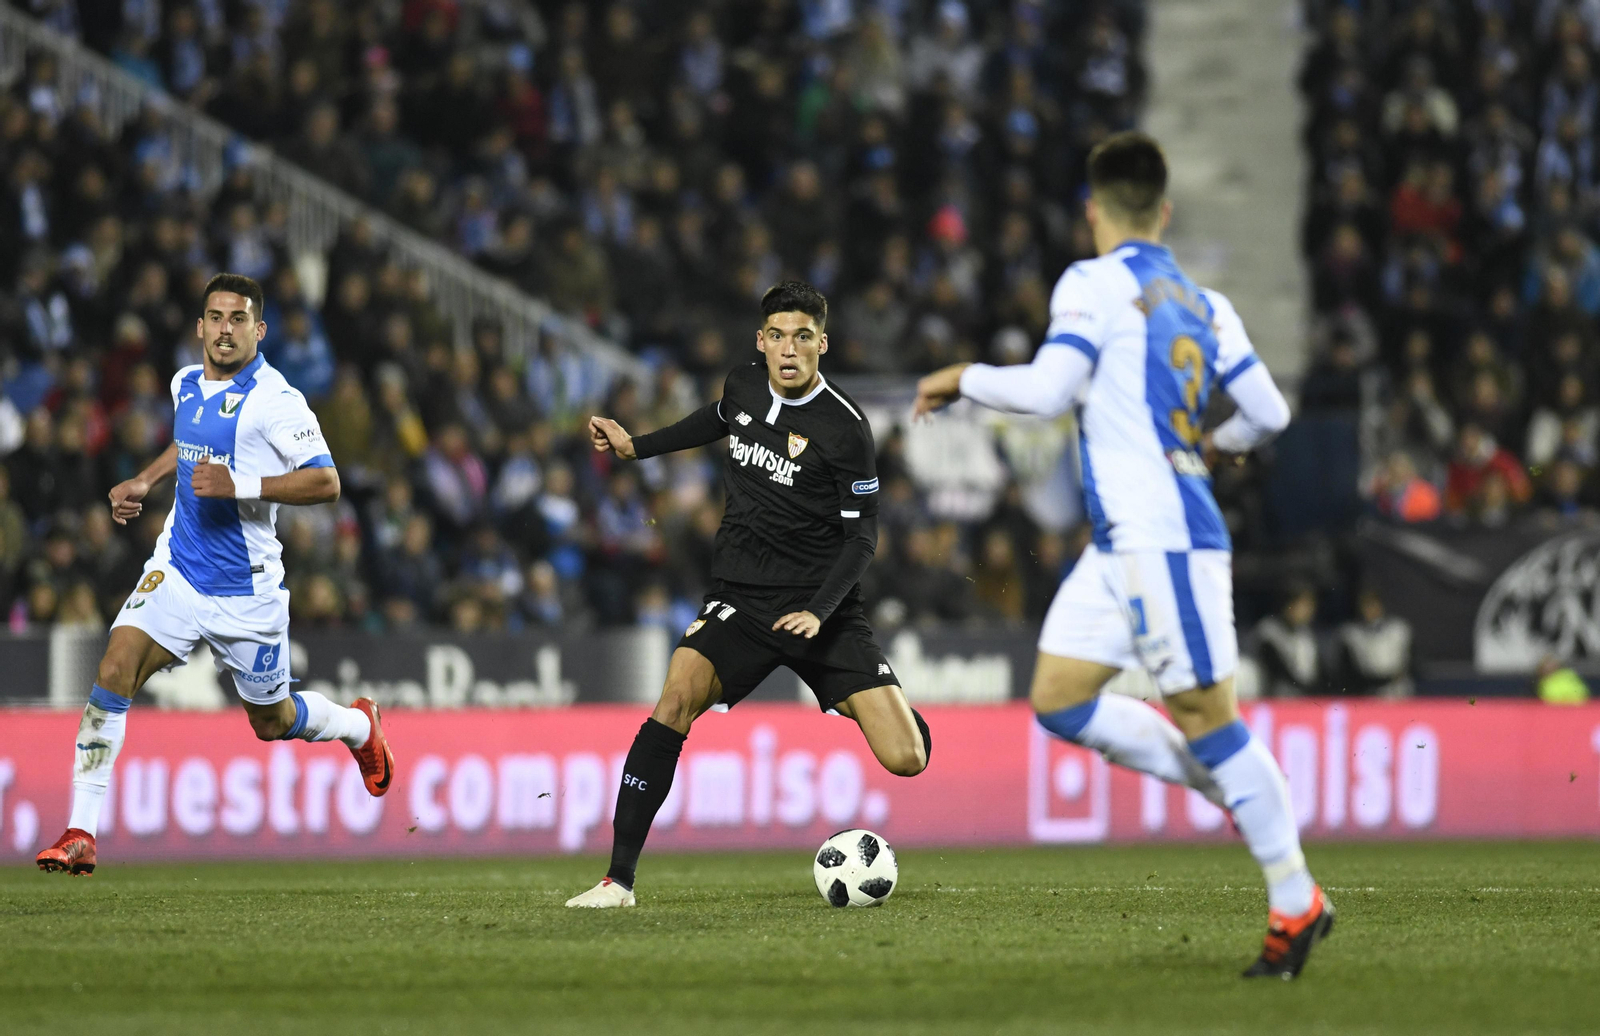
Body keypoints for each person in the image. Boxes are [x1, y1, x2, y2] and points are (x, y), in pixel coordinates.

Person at [913, 133, 1330, 979]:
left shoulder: (1091, 284)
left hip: (1164, 542)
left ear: (1095, 212)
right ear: (1164, 213)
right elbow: (1269, 414)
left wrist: (961, 375)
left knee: (1212, 721)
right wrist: (1221, 444)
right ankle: (1242, 795)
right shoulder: (1207, 303)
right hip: (1120, 549)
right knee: (1060, 698)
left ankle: (1296, 898)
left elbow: (1044, 390)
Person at [568, 281, 930, 908]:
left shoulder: (846, 430)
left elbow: (862, 539)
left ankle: (873, 706)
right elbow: (716, 419)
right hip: (741, 598)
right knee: (675, 698)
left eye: (803, 336)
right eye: (777, 336)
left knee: (906, 758)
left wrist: (819, 612)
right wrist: (637, 447)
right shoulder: (741, 385)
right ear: (761, 342)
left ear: (823, 343)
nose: (789, 350)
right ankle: (617, 880)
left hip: (823, 608)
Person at [36, 274, 395, 876]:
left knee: (272, 721)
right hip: (176, 570)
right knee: (114, 668)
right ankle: (80, 831)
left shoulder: (278, 402)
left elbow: (327, 481)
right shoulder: (184, 383)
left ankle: (360, 727)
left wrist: (241, 486)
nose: (224, 329)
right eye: (214, 317)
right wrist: (145, 482)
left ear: (259, 330)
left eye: (238, 319)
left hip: (245, 592)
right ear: (200, 327)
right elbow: (187, 443)